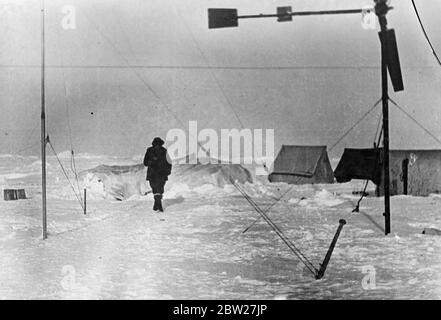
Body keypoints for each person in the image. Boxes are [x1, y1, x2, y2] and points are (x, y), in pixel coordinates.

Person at [143, 137, 172, 212]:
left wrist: (151, 162)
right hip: (162, 174)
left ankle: (157, 205)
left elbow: (145, 163)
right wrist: (168, 172)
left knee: (155, 190)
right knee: (159, 189)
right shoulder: (164, 151)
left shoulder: (149, 150)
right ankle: (158, 205)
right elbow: (169, 163)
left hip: (152, 174)